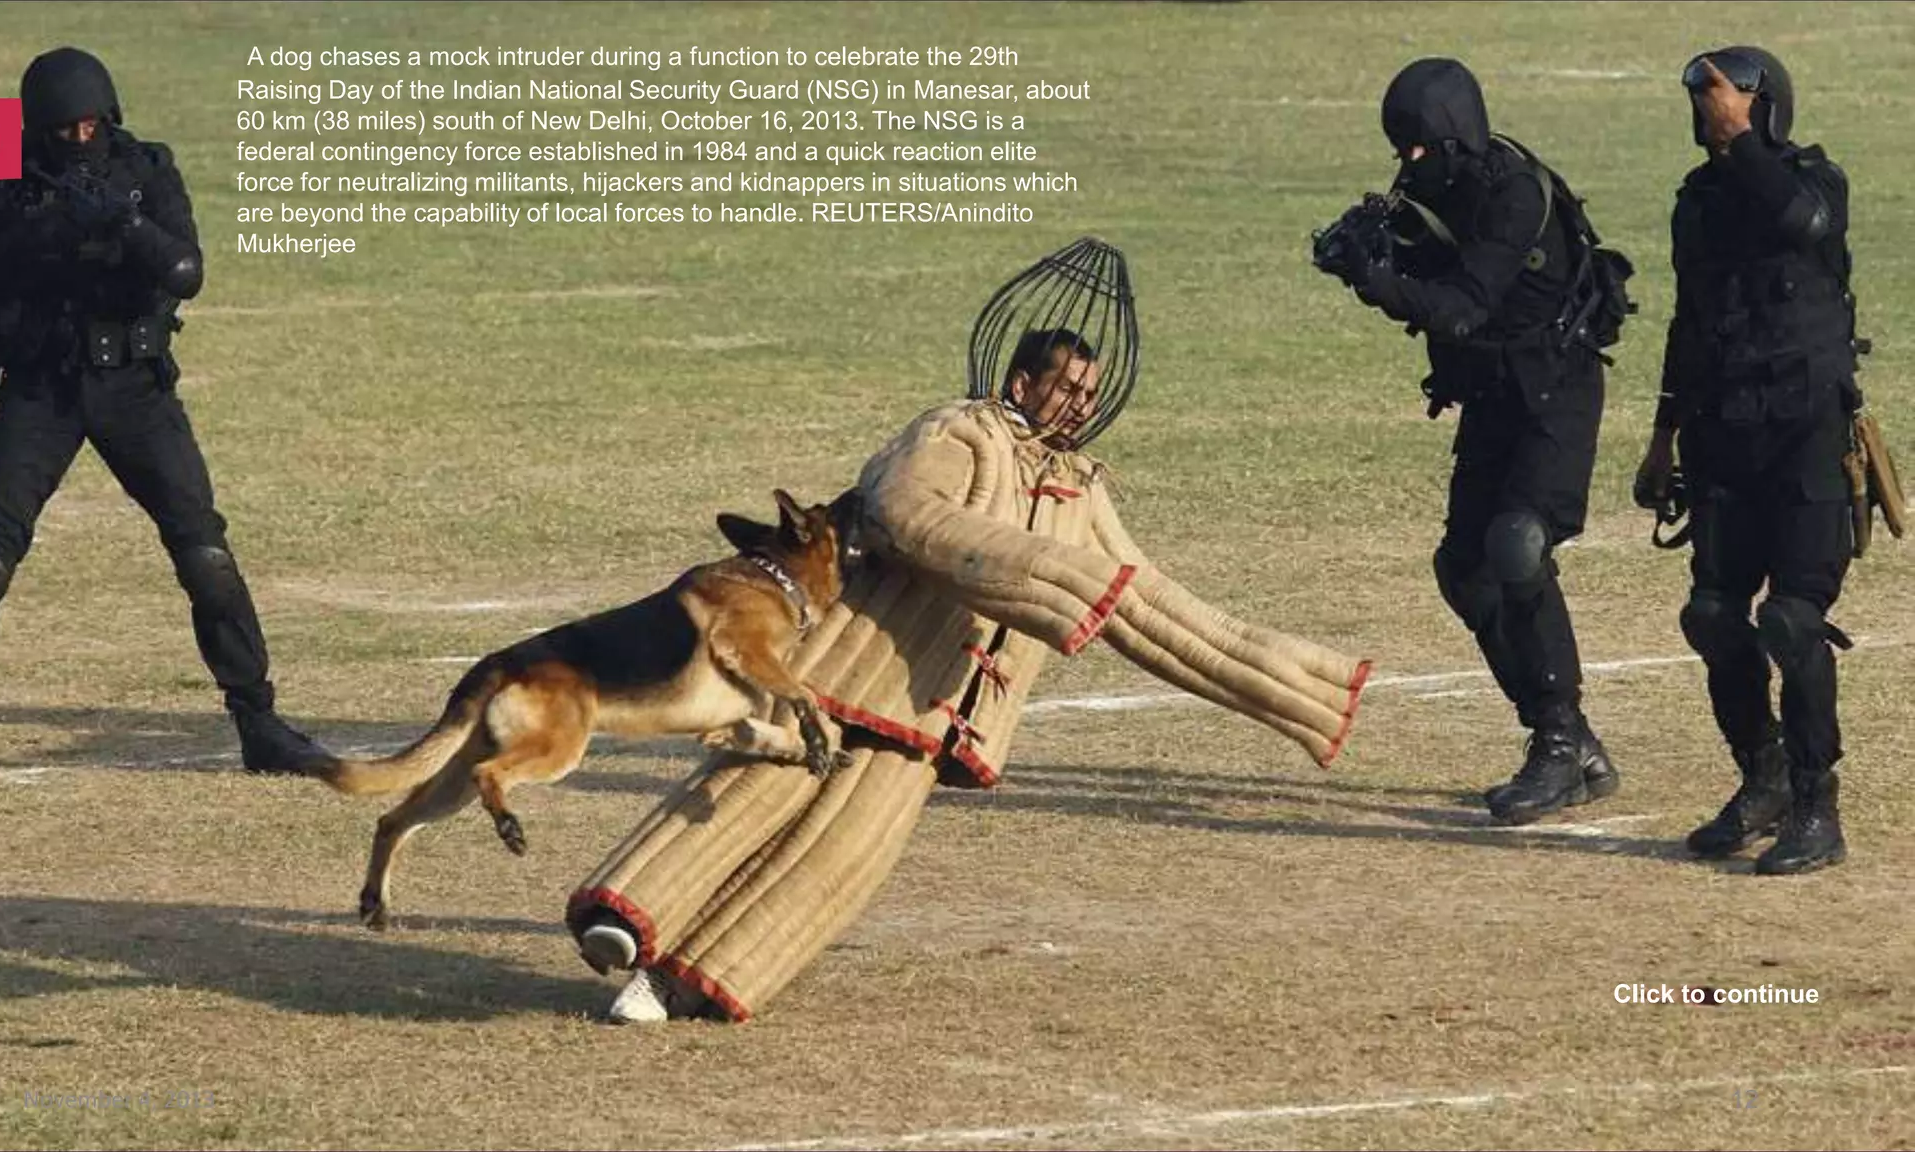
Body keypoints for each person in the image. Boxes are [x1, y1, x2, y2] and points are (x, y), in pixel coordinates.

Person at [563, 238, 1373, 1023]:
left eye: (1088, 394)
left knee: (838, 860)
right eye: (1064, 387)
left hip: (936, 711)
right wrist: (1053, 577)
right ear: (1022, 381)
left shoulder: (1078, 491)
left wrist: (1300, 689)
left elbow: (1151, 607)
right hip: (855, 670)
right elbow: (907, 516)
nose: (1078, 405)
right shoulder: (957, 431)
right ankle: (628, 918)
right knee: (756, 789)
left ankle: (688, 987)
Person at [0, 46, 324, 798]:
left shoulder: (145, 170)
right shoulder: (5, 174)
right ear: (39, 128)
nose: (80, 139)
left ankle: (258, 721)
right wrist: (45, 225)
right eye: (64, 130)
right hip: (41, 388)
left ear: (110, 116)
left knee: (204, 550)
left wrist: (123, 223)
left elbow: (187, 271)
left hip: (134, 388)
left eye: (91, 124)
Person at [1313, 57, 1622, 826]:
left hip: (1555, 390)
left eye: (1417, 145)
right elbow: (1432, 285)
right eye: (1401, 148)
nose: (1408, 162)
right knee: (1464, 569)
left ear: (1453, 132)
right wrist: (1368, 253)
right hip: (1493, 396)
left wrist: (1378, 280)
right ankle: (1569, 740)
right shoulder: (1438, 190)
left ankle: (1555, 744)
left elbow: (1460, 308)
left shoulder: (1516, 195)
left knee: (1518, 544)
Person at [1634, 47, 1866, 874]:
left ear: (1764, 106)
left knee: (1793, 620)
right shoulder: (1696, 202)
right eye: (1699, 103)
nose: (1707, 112)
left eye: (1723, 101)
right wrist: (1662, 438)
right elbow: (1688, 322)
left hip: (1804, 435)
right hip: (1721, 434)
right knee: (1711, 616)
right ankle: (1760, 778)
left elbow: (1800, 224)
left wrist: (1747, 144)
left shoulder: (1812, 181)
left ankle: (1815, 804)